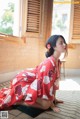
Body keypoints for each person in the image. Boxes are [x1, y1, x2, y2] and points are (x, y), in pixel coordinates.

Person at [0, 35, 67, 112]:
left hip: (35, 81)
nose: (64, 45)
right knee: (46, 105)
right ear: (53, 46)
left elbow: (54, 82)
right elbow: (46, 85)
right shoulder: (49, 63)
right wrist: (52, 104)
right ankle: (17, 102)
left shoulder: (57, 62)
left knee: (47, 102)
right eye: (61, 43)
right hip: (23, 81)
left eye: (64, 42)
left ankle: (23, 97)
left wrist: (54, 99)